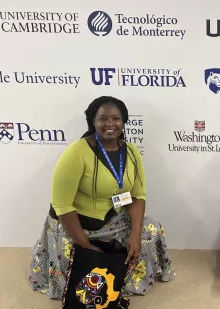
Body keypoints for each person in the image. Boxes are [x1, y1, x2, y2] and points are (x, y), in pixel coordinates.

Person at [29, 96, 175, 299]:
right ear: (93, 121)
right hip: (75, 223)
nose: (110, 124)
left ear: (123, 121)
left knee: (150, 231)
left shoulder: (131, 152)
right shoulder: (76, 152)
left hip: (111, 217)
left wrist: (135, 234)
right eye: (103, 118)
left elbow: (137, 195)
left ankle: (125, 281)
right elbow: (61, 205)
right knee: (76, 266)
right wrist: (84, 245)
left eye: (116, 118)